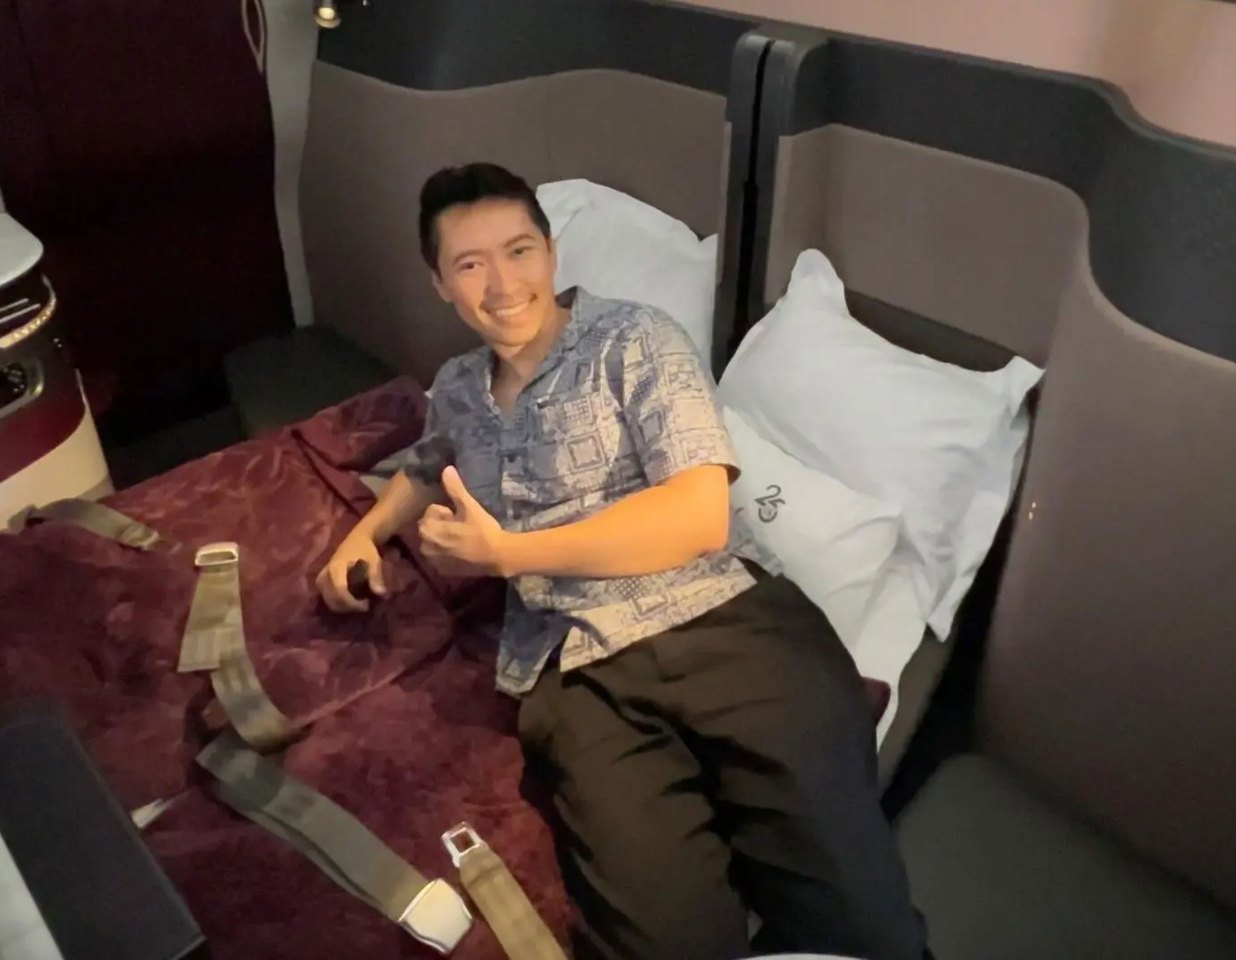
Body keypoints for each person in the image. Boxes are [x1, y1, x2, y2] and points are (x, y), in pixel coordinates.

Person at [317, 162, 926, 960]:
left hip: (722, 628)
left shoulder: (634, 339)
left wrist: (510, 554)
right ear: (440, 283)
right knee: (662, 939)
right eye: (469, 264)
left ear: (551, 252)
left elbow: (699, 515)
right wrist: (367, 531)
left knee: (857, 923)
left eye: (519, 251)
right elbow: (432, 461)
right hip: (577, 673)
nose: (502, 285)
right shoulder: (459, 386)